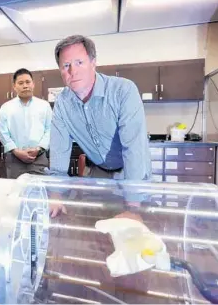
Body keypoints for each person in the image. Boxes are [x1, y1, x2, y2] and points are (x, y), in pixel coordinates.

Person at [49, 35, 151, 217]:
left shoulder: (123, 90)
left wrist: (133, 207)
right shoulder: (62, 104)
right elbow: (59, 151)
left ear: (93, 63)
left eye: (79, 62)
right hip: (97, 173)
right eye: (66, 66)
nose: (73, 71)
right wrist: (56, 193)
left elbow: (134, 150)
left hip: (131, 172)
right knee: (97, 228)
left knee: (134, 232)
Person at [0, 68, 52, 179]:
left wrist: (38, 149)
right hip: (15, 159)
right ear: (14, 86)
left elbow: (50, 129)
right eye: (21, 83)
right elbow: (3, 133)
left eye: (28, 82)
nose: (25, 86)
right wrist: (16, 151)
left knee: (40, 192)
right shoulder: (6, 108)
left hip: (39, 158)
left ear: (33, 84)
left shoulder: (44, 106)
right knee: (16, 192)